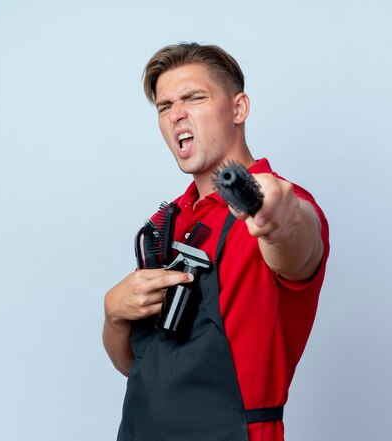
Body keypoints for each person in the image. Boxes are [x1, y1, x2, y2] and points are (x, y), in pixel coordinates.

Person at [103, 42, 330, 441]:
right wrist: (114, 315)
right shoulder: (165, 220)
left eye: (194, 98)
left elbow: (299, 244)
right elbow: (137, 364)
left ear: (239, 108)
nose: (177, 114)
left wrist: (276, 218)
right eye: (164, 105)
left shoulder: (282, 202)